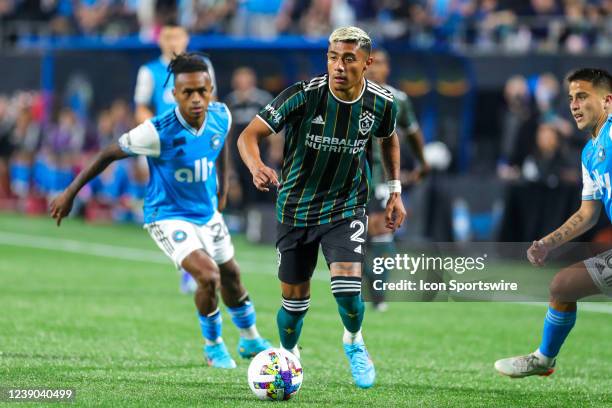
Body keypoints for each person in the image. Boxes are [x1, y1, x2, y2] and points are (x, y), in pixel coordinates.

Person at [50, 53, 271, 369]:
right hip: (167, 216)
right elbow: (107, 154)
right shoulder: (156, 131)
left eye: (202, 91)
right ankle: (214, 346)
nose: (196, 99)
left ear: (211, 90)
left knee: (232, 275)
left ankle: (250, 338)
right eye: (187, 93)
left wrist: (222, 187)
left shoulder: (221, 114)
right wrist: (70, 193)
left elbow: (221, 145)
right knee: (208, 276)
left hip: (206, 212)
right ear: (175, 95)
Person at [237, 26, 406, 389]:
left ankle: (354, 341)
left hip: (345, 207)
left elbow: (388, 138)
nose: (339, 66)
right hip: (295, 209)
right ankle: (288, 355)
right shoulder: (302, 96)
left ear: (367, 63)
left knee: (347, 290)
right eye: (333, 57)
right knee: (294, 304)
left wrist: (394, 190)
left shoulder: (381, 102)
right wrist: (256, 167)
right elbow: (248, 135)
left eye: (348, 59)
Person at [495, 68, 612, 378]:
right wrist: (548, 242)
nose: (574, 105)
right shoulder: (589, 153)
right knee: (562, 286)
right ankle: (544, 359)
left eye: (583, 97)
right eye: (571, 98)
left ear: (608, 101)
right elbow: (588, 214)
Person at [134, 22, 217, 292]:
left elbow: (211, 102)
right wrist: (157, 135)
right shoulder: (149, 71)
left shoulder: (202, 66)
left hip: (198, 143)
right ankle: (190, 263)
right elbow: (142, 108)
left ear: (186, 38)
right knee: (177, 203)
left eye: (178, 37)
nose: (173, 42)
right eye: (168, 37)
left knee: (201, 200)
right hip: (166, 148)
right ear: (160, 41)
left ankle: (196, 263)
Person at [363, 48, 429, 311]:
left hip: (381, 176)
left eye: (380, 62)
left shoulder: (398, 99)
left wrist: (423, 162)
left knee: (382, 231)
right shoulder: (350, 96)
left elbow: (413, 132)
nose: (375, 67)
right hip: (352, 176)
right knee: (355, 239)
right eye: (371, 63)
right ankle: (367, 280)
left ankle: (378, 293)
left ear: (387, 68)